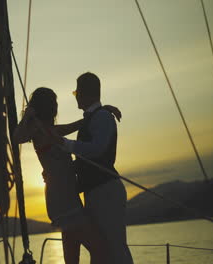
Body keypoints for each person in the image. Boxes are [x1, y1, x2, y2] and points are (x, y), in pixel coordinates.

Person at [13, 87, 121, 264]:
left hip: (67, 199)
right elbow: (16, 137)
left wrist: (99, 112)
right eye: (54, 102)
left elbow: (72, 126)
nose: (56, 105)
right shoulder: (35, 129)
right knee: (101, 249)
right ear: (47, 105)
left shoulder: (50, 130)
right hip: (63, 202)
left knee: (73, 258)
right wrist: (27, 116)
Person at [63, 72, 134, 264]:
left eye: (76, 91)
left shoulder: (102, 117)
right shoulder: (94, 118)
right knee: (101, 250)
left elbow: (98, 149)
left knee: (114, 248)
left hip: (106, 192)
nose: (75, 96)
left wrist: (68, 145)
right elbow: (88, 159)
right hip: (96, 192)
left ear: (85, 93)